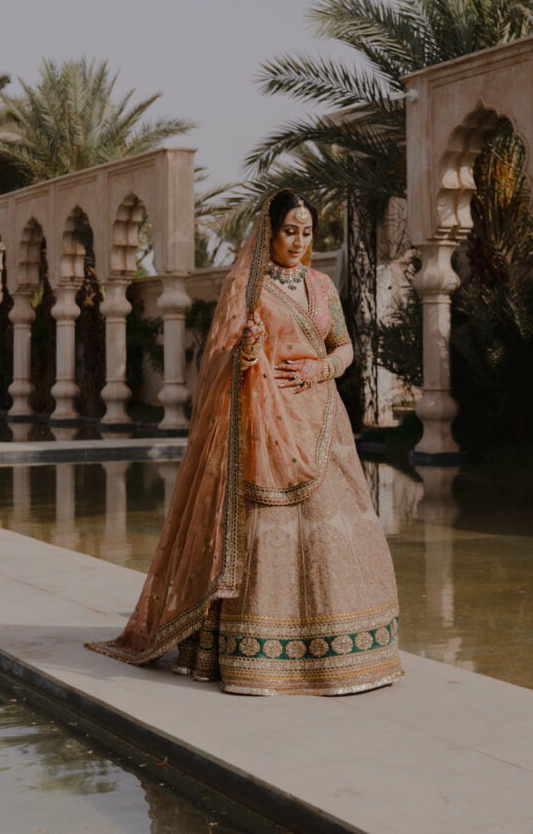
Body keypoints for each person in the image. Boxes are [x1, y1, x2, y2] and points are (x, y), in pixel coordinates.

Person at [87, 190, 404, 695]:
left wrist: (323, 368)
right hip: (263, 424)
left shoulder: (321, 285)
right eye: (289, 231)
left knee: (334, 529)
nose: (298, 242)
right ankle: (255, 652)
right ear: (269, 233)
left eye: (306, 232)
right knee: (264, 530)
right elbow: (221, 359)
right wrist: (248, 351)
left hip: (322, 422)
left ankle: (342, 652)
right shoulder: (246, 287)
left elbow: (344, 346)